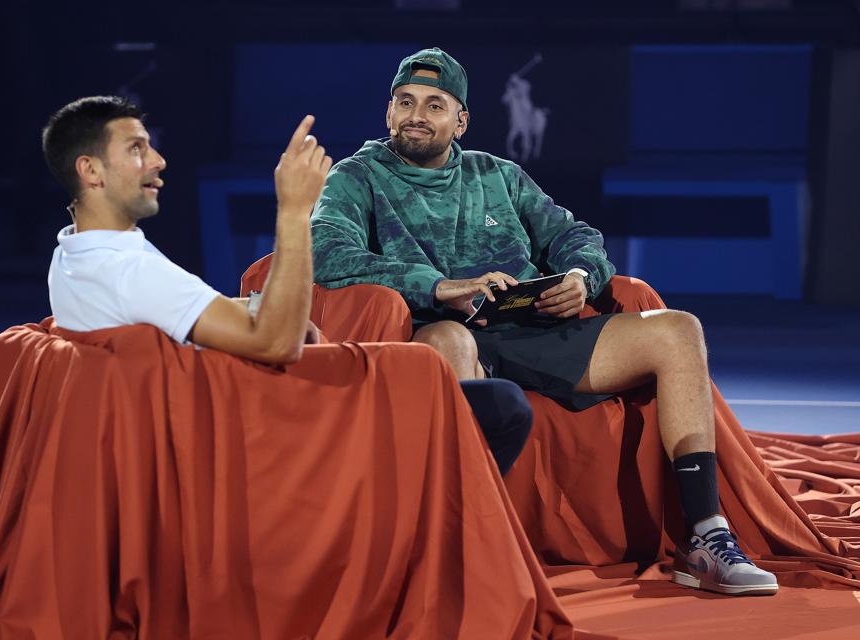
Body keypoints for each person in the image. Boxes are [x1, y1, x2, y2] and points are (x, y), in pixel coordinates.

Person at [309, 48, 779, 596]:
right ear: (389, 112)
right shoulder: (356, 177)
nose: (417, 115)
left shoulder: (498, 175)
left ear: (460, 121)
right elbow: (326, 252)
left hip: (532, 329)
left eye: (435, 105)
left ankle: (704, 536)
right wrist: (437, 286)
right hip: (441, 332)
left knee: (679, 330)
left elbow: (575, 235)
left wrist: (580, 276)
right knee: (450, 341)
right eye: (406, 102)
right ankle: (457, 546)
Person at [42, 95, 532, 475]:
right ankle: (444, 539)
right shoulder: (131, 272)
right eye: (136, 149)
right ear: (90, 170)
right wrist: (295, 210)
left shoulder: (76, 253)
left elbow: (183, 309)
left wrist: (254, 306)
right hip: (272, 431)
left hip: (234, 409)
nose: (158, 160)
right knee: (501, 406)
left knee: (432, 373)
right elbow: (276, 343)